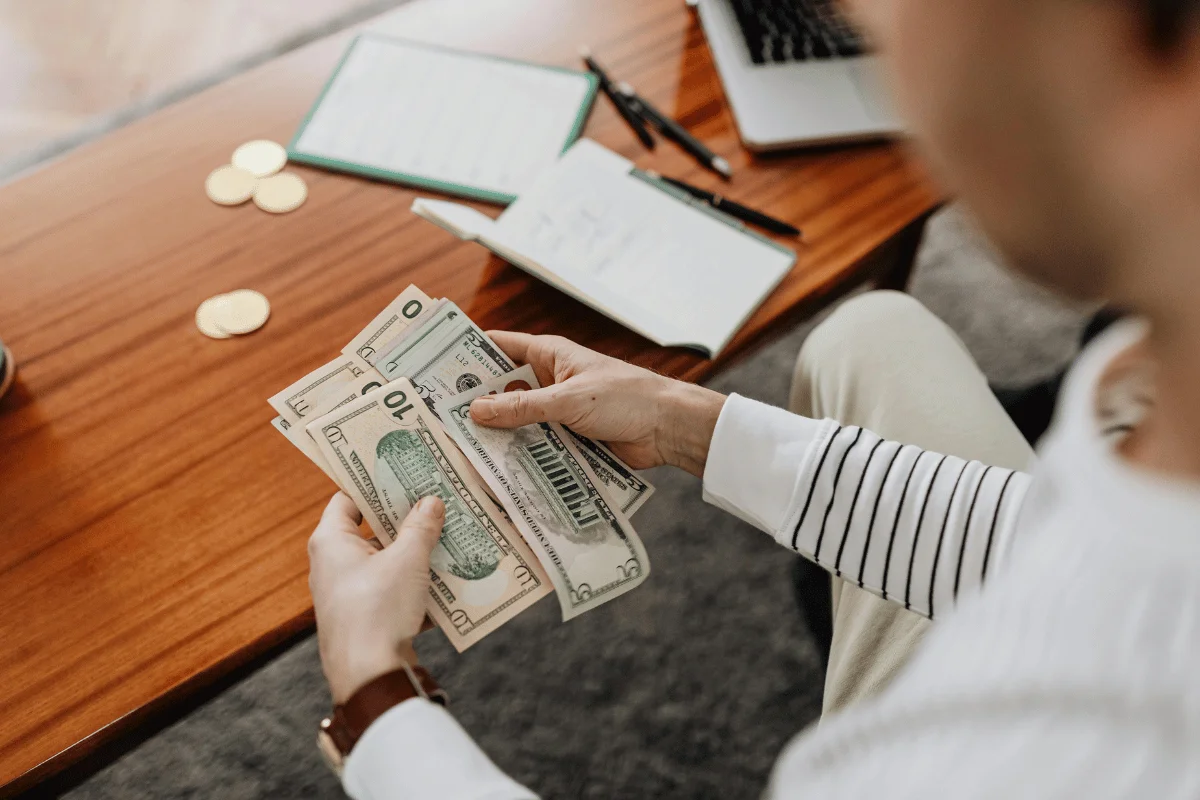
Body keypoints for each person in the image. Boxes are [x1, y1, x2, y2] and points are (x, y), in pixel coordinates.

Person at [306, 0, 1200, 795]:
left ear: (1139, 43)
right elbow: (1032, 540)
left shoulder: (992, 757)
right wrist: (681, 421)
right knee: (869, 331)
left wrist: (376, 692)